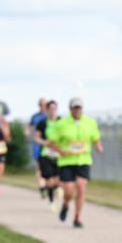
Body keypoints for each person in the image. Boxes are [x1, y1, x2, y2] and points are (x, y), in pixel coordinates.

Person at [46, 98, 103, 228]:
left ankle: (77, 218)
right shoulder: (61, 124)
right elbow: (51, 141)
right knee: (69, 190)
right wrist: (60, 150)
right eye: (75, 108)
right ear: (70, 109)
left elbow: (95, 138)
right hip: (67, 161)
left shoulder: (90, 123)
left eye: (79, 108)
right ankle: (66, 204)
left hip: (83, 160)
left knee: (82, 187)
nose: (77, 110)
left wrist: (99, 147)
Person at [34, 100, 62, 211]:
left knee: (57, 179)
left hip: (59, 154)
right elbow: (36, 138)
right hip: (46, 154)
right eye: (50, 109)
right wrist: (45, 143)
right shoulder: (43, 123)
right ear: (47, 110)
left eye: (54, 108)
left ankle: (56, 188)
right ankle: (51, 201)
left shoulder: (61, 122)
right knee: (50, 179)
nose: (53, 111)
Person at [28, 98, 49, 199]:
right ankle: (42, 187)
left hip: (50, 145)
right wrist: (27, 132)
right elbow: (29, 127)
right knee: (39, 167)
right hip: (38, 145)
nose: (43, 106)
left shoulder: (51, 116)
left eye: (45, 104)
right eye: (41, 104)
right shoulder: (35, 117)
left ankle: (50, 185)